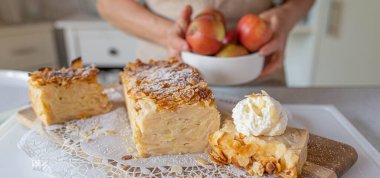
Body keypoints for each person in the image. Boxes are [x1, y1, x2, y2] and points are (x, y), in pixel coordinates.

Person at [97, 0, 314, 86]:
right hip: (162, 72)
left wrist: (286, 15)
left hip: (255, 69)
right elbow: (108, 4)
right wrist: (166, 35)